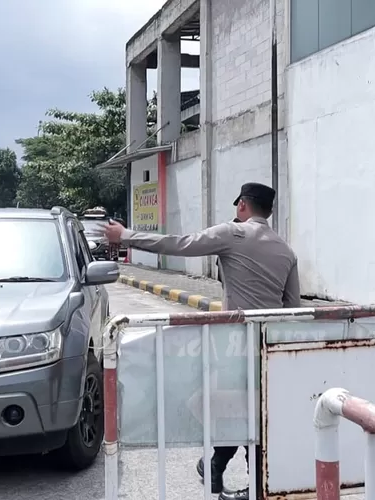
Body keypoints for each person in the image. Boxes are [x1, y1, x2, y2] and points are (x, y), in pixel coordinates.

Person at [104, 182, 300, 500]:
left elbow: (179, 244)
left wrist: (126, 236)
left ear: (242, 207)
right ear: (270, 211)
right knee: (256, 412)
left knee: (234, 409)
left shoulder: (232, 234)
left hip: (231, 344)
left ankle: (219, 471)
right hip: (268, 346)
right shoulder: (286, 251)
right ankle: (245, 479)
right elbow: (293, 308)